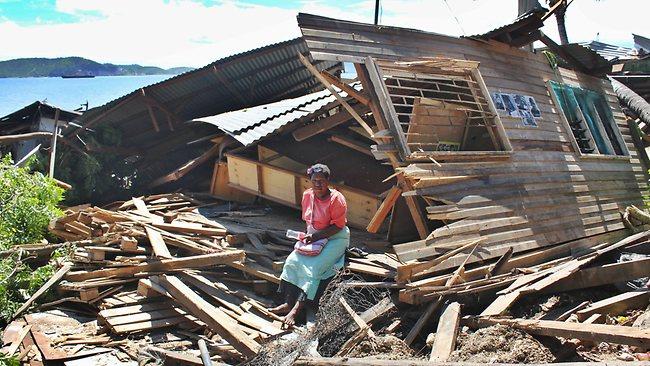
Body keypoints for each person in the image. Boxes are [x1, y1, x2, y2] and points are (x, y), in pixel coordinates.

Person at [269, 163, 350, 327]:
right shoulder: (308, 195)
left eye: (321, 180)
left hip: (335, 238)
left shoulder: (336, 199)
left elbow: (338, 226)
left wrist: (316, 237)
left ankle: (297, 309)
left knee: (314, 268)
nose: (318, 184)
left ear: (328, 181)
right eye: (314, 181)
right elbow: (309, 221)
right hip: (315, 236)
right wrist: (308, 237)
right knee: (292, 261)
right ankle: (288, 303)